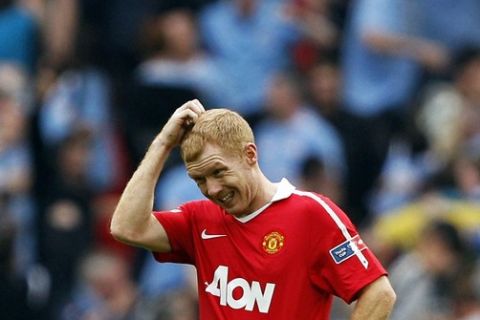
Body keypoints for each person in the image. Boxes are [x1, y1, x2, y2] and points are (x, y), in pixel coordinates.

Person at [110, 99, 396, 319]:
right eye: (199, 179)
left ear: (250, 154)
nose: (212, 189)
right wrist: (163, 143)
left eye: (218, 172)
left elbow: (379, 293)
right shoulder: (200, 220)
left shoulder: (312, 214)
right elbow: (126, 227)